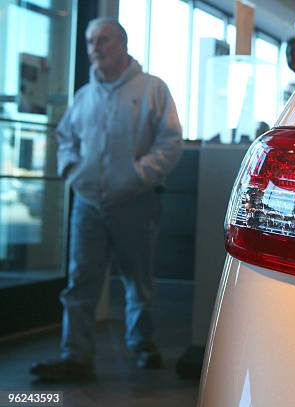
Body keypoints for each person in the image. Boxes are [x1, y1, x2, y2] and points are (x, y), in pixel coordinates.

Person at [30, 17, 183, 381]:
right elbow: (65, 138)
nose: (94, 47)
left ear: (123, 44)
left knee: (138, 281)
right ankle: (75, 356)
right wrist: (73, 171)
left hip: (136, 203)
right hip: (88, 205)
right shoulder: (85, 96)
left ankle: (142, 345)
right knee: (80, 281)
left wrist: (137, 175)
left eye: (102, 40)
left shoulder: (152, 89)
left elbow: (170, 141)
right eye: (89, 41)